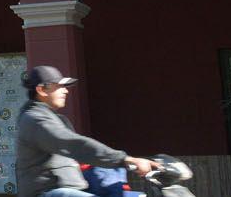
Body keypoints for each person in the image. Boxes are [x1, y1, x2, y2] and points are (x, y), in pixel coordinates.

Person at [15, 65, 158, 197]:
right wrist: (125, 159)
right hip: (48, 193)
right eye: (59, 86)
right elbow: (73, 144)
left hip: (73, 189)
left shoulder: (54, 118)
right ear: (41, 90)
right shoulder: (35, 120)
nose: (65, 90)